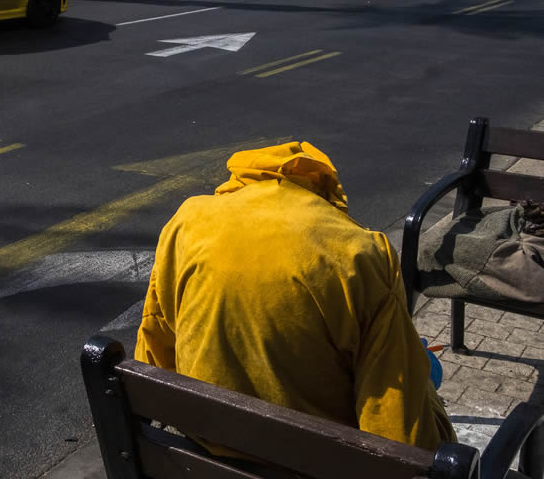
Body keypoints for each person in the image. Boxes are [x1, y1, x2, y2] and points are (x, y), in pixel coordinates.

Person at [135, 141, 456, 454]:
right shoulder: (360, 252)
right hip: (313, 462)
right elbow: (396, 427)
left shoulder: (189, 220)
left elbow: (154, 347)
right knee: (420, 369)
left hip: (203, 447)